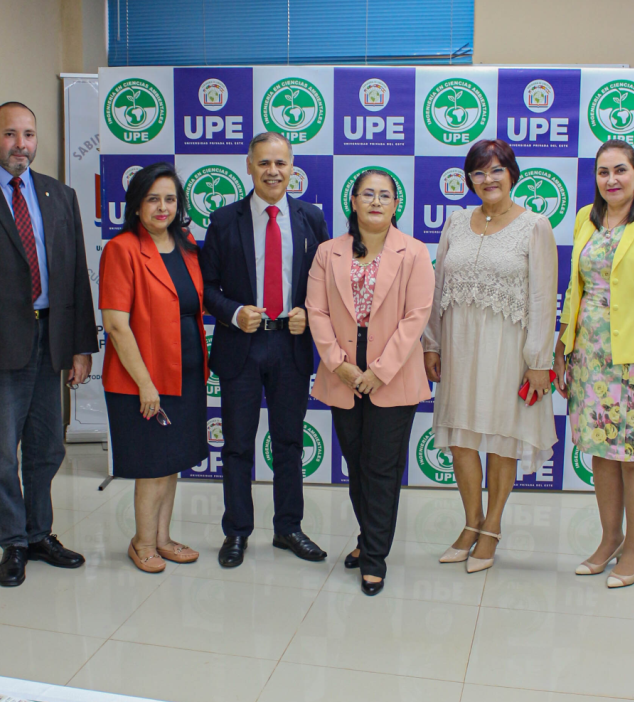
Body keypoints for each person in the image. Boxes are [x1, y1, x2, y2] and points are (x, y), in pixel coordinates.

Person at [0, 102, 98, 587]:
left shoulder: (59, 194)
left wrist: (81, 346)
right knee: (3, 452)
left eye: (28, 134)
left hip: (52, 341)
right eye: (10, 134)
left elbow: (74, 278)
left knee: (47, 449)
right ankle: (13, 542)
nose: (21, 144)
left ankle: (39, 533)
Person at [423, 139, 558, 573]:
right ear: (469, 180)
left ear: (512, 174)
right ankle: (470, 523)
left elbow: (542, 297)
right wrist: (433, 343)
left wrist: (539, 359)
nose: (488, 180)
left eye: (497, 170)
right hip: (460, 346)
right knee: (462, 437)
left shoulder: (535, 225)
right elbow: (437, 287)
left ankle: (492, 528)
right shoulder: (456, 223)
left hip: (509, 349)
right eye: (479, 173)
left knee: (501, 439)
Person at [554, 140, 634, 588]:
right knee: (603, 455)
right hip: (590, 359)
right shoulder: (586, 221)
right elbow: (576, 290)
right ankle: (609, 539)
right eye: (603, 172)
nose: (612, 179)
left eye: (620, 170)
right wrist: (562, 349)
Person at [201, 132, 330, 568]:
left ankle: (288, 528)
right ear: (249, 166)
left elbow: (325, 287)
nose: (273, 171)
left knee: (289, 443)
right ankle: (237, 531)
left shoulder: (311, 219)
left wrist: (309, 315)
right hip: (241, 346)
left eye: (281, 163)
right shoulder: (223, 220)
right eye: (264, 163)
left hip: (290, 346)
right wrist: (235, 313)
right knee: (237, 444)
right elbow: (207, 289)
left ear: (292, 167)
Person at [307, 170, 434, 596]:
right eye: (368, 194)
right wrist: (339, 364)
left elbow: (417, 317)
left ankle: (374, 558)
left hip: (392, 378)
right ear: (354, 202)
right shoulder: (329, 252)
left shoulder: (414, 253)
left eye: (385, 195)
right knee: (357, 467)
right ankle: (367, 539)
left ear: (396, 204)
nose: (376, 201)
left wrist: (379, 371)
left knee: (382, 469)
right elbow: (317, 311)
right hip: (343, 376)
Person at [100, 163, 207, 573]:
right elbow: (115, 324)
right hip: (144, 378)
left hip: (185, 370)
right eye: (153, 199)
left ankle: (163, 538)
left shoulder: (185, 243)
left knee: (173, 460)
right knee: (152, 464)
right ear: (137, 204)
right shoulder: (122, 248)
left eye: (170, 199)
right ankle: (142, 542)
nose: (162, 207)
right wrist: (146, 383)